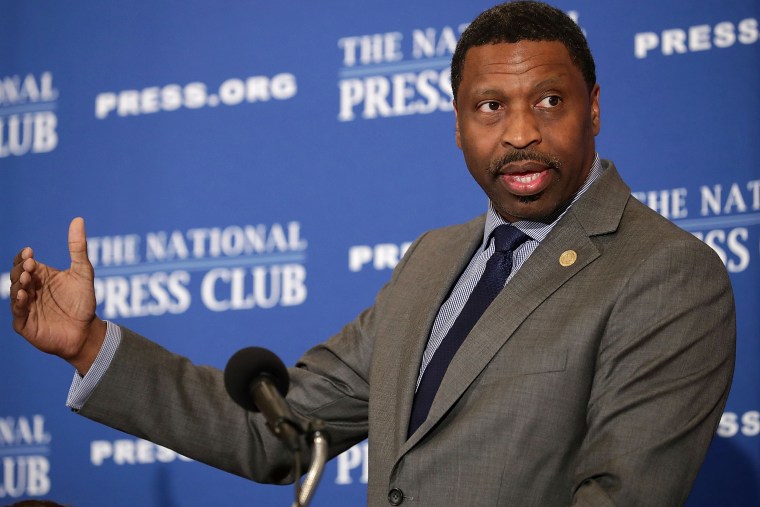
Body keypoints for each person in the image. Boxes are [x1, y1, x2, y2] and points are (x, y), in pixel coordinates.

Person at [9, 2, 735, 505]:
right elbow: (278, 431)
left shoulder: (666, 272)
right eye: (490, 107)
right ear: (456, 125)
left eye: (549, 101)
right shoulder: (432, 260)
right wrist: (90, 344)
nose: (520, 132)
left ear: (596, 108)